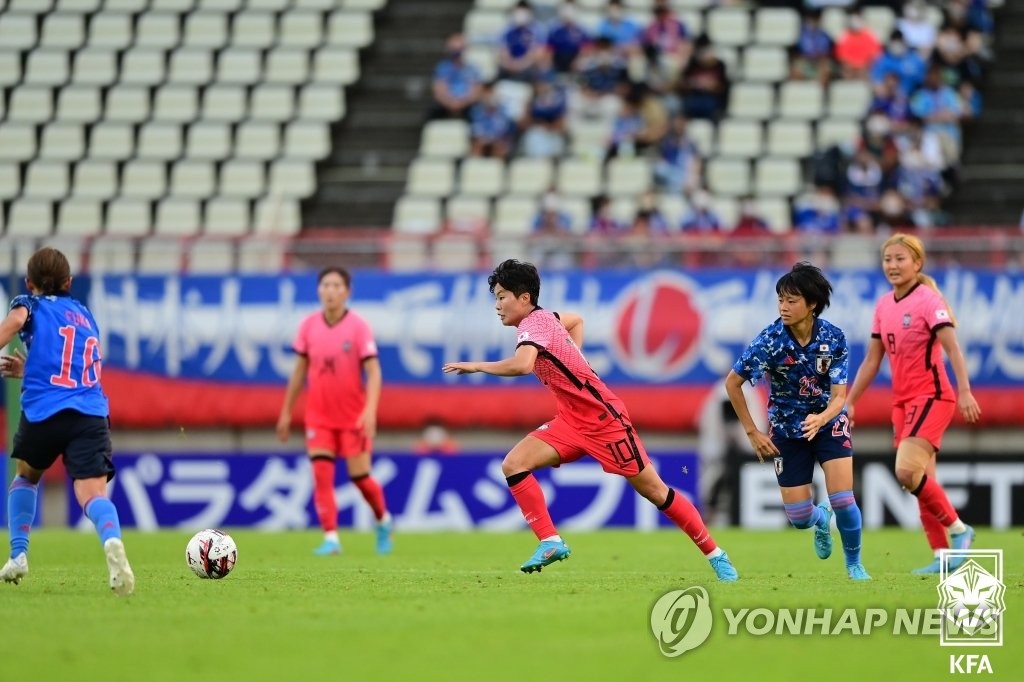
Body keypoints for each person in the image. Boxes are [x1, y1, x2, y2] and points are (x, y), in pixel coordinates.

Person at [442, 259, 738, 580]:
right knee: (514, 464)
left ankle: (716, 555)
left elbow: (523, 365)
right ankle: (550, 541)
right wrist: (574, 353)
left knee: (655, 492)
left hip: (604, 421)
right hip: (570, 421)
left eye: (501, 297)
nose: (497, 306)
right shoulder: (547, 319)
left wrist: (476, 366)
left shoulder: (533, 325)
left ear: (524, 298)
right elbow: (576, 320)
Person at [0, 247, 134, 595]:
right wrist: (29, 369)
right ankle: (111, 542)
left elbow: (14, 324)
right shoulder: (86, 315)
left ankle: (18, 555)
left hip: (44, 412)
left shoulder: (30, 304)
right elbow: (72, 369)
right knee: (92, 494)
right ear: (69, 282)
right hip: (89, 414)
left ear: (30, 283)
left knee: (26, 477)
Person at [725, 262, 871, 580]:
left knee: (844, 498)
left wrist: (822, 418)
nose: (784, 307)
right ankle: (820, 521)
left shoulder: (833, 338)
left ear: (812, 303)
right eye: (780, 300)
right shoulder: (770, 341)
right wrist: (752, 431)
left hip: (829, 423)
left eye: (791, 301)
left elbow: (839, 397)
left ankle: (854, 564)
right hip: (787, 431)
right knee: (799, 517)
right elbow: (732, 383)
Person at [845, 233, 980, 574]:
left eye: (900, 259)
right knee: (918, 480)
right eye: (888, 259)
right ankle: (941, 556)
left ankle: (960, 530)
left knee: (906, 471)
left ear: (917, 263)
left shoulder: (928, 300)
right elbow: (872, 361)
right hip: (902, 403)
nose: (892, 265)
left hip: (933, 396)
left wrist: (964, 391)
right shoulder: (882, 305)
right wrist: (850, 403)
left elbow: (953, 349)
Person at [277, 267, 393, 556]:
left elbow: (374, 372)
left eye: (336, 285)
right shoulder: (308, 327)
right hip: (319, 416)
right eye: (325, 285)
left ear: (347, 291)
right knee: (321, 474)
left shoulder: (358, 327)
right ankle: (331, 537)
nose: (330, 290)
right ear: (318, 290)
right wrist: (286, 411)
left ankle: (383, 520)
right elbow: (299, 371)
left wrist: (370, 411)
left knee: (361, 478)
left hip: (352, 416)